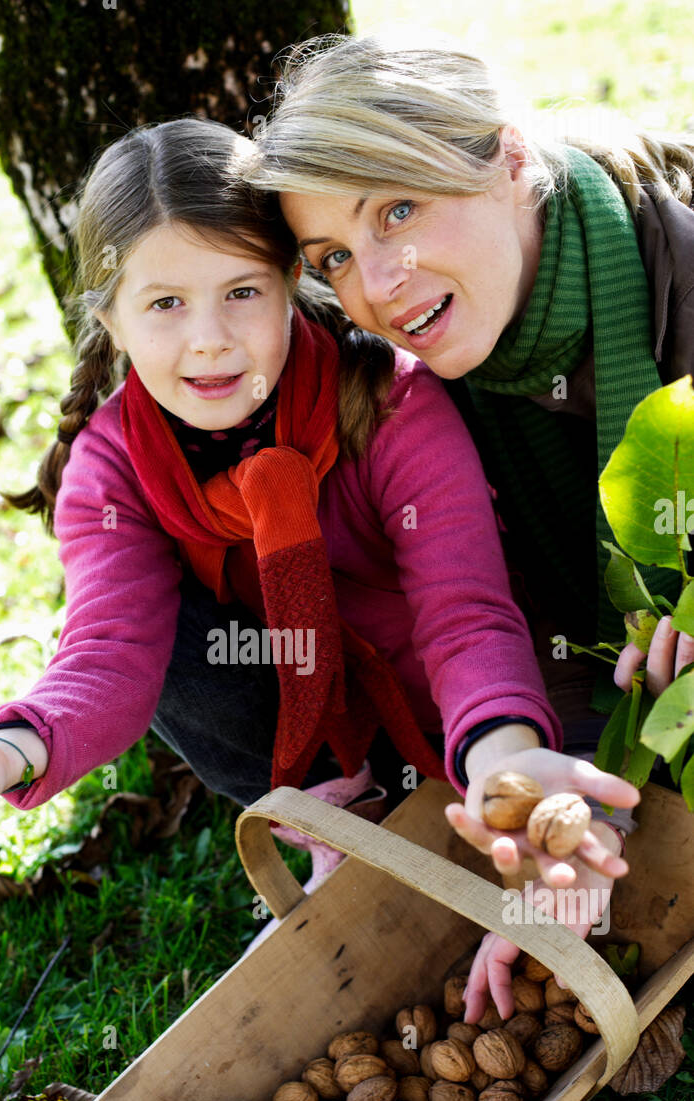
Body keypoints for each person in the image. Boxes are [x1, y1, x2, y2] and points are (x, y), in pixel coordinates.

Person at [0, 117, 631, 958]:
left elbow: (466, 617)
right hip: (308, 703)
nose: (210, 338)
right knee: (171, 637)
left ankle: (447, 788)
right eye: (164, 304)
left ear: (291, 281)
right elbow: (108, 652)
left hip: (473, 698)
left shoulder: (385, 399)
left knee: (559, 814)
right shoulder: (112, 468)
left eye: (242, 291)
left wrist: (501, 768)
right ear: (109, 320)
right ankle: (345, 811)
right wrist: (0, 757)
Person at [247, 29, 694, 1012]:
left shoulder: (671, 266)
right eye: (333, 255)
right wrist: (562, 811)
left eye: (397, 209)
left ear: (508, 157)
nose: (376, 285)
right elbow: (483, 616)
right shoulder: (421, 396)